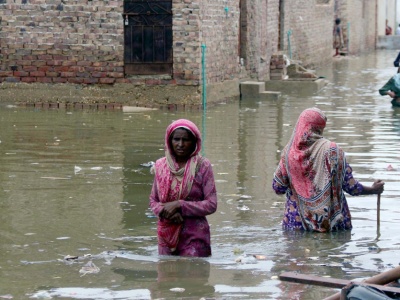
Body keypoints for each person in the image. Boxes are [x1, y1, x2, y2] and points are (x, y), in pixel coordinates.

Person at [272, 108, 384, 232]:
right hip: (331, 225)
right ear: (320, 127)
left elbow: (278, 187)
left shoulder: (288, 153)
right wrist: (373, 189)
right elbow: (351, 187)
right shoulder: (332, 151)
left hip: (295, 225)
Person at [149, 119, 217, 257]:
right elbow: (153, 201)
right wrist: (166, 211)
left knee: (192, 276)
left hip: (195, 236)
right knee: (166, 275)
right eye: (176, 139)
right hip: (166, 234)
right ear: (170, 141)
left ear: (194, 143)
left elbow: (211, 204)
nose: (180, 144)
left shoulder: (203, 166)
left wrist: (180, 205)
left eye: (186, 140)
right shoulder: (161, 166)